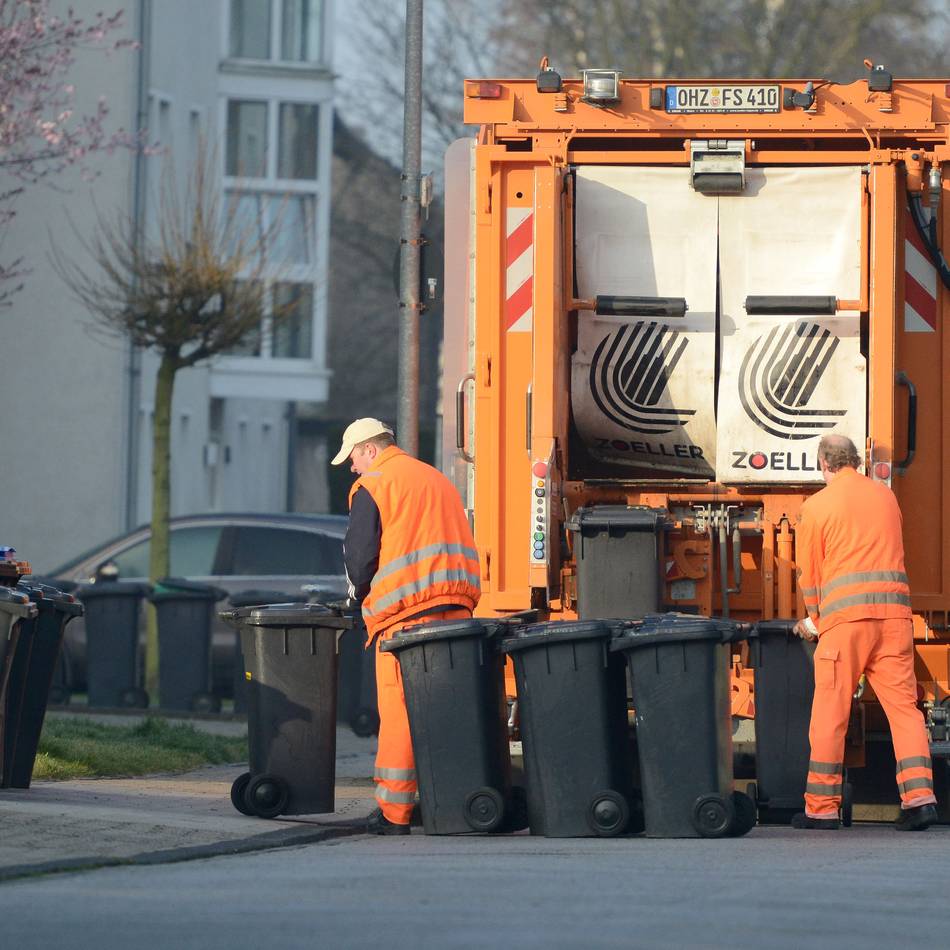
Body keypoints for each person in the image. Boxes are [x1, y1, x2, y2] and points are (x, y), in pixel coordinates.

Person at [332, 418, 481, 835]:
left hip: (404, 615)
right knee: (446, 711)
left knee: (399, 712)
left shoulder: (374, 485)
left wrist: (356, 597)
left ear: (370, 450)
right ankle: (452, 803)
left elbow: (360, 558)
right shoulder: (434, 478)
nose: (352, 469)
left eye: (353, 458)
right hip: (456, 608)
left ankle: (395, 812)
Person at [792, 433, 937, 830]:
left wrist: (813, 619)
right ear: (855, 460)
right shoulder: (886, 497)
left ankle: (821, 809)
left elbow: (810, 574)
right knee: (904, 710)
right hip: (893, 621)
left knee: (831, 712)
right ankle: (920, 800)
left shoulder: (816, 507)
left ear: (824, 463)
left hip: (845, 624)